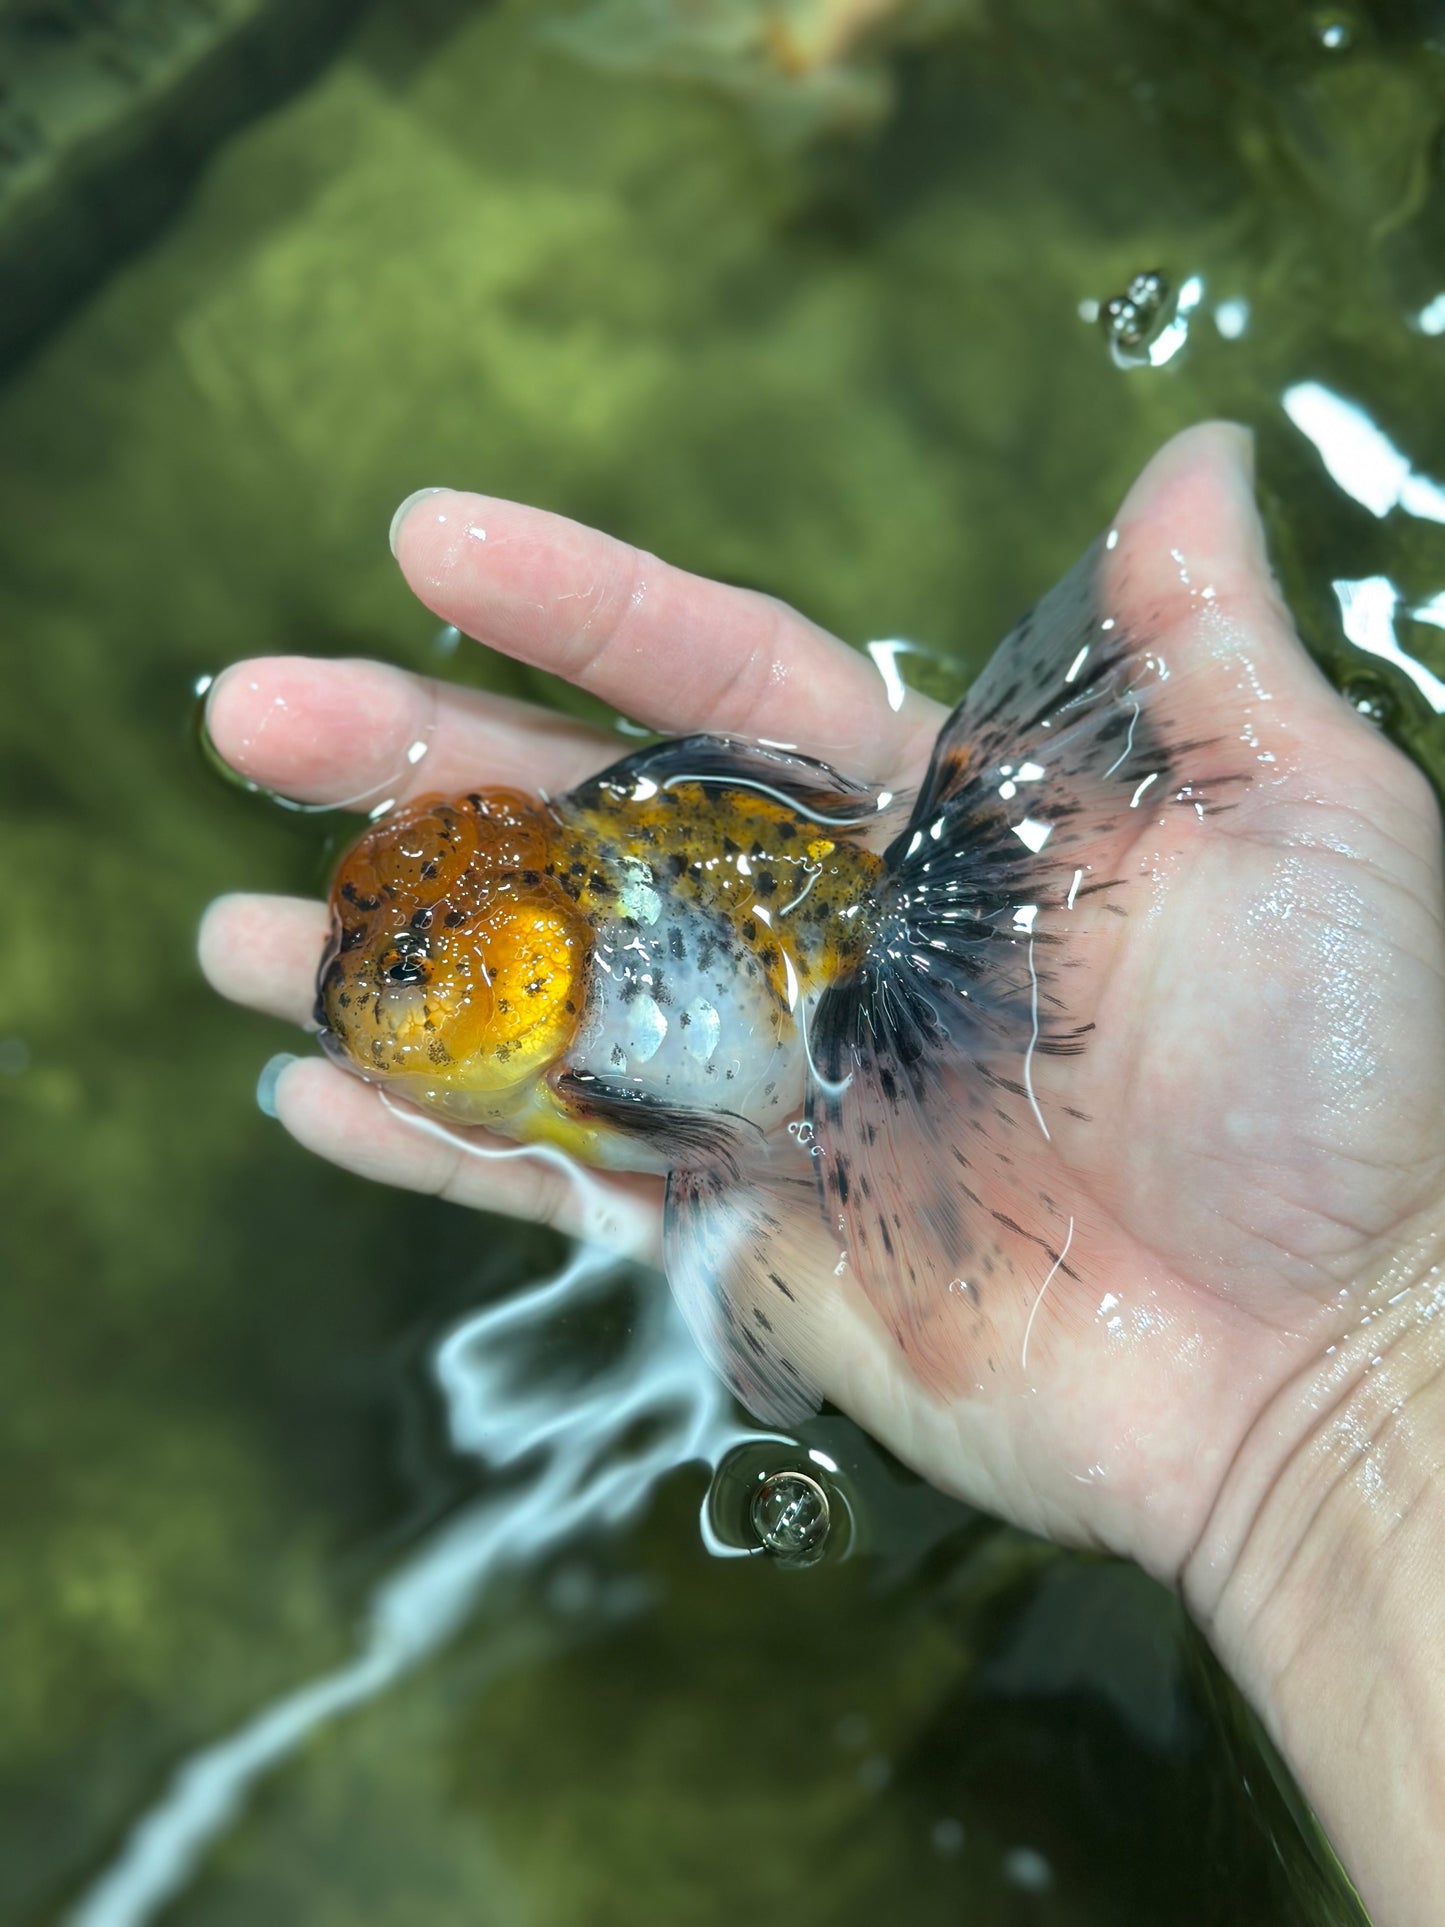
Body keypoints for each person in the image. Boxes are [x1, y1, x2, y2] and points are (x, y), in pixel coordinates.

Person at [200, 424, 1445, 1925]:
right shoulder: (544, 994)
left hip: (806, 1000)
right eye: (371, 938)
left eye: (407, 967)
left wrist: (1367, 1341)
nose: (373, 989)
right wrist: (1355, 1383)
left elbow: (705, 1146)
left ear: (509, 970)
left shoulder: (593, 1014)